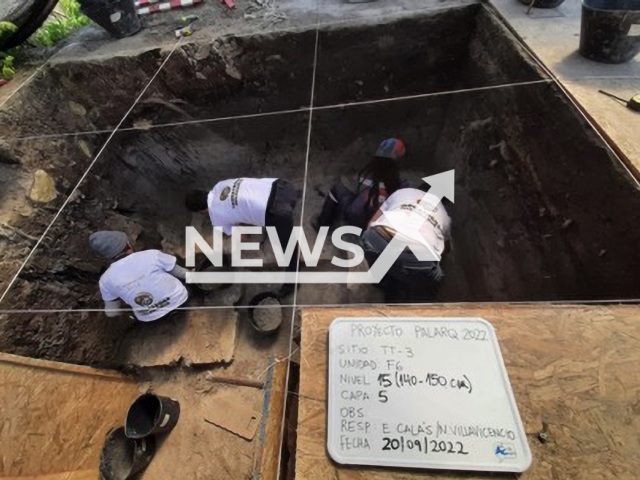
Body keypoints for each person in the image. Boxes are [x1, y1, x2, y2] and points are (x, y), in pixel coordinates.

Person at [185, 177, 298, 295]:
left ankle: (291, 284)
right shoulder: (220, 185)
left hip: (278, 211)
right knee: (261, 216)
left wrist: (239, 245)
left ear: (202, 211)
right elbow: (236, 208)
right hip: (284, 186)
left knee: (288, 247)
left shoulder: (216, 218)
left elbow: (242, 236)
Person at [361, 186, 451, 300]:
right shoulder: (444, 216)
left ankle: (381, 279)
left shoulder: (402, 192)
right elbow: (444, 252)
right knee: (437, 278)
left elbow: (372, 221)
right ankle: (417, 296)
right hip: (416, 255)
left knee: (378, 252)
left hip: (377, 237)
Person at [89, 231, 189, 321]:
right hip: (180, 301)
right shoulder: (151, 254)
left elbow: (111, 313)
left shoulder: (105, 280)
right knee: (173, 268)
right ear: (128, 244)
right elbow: (183, 274)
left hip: (150, 318)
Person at [314, 138, 405, 231]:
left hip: (357, 218)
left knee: (337, 190)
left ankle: (322, 224)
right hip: (381, 223)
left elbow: (353, 189)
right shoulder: (401, 183)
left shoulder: (365, 174)